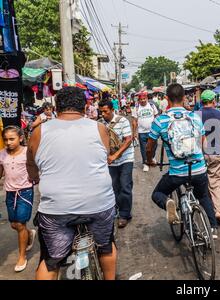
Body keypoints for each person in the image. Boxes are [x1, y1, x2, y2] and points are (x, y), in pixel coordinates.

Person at [27, 87, 117, 280]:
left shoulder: (39, 131)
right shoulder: (99, 128)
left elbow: (31, 163)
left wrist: (34, 176)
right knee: (106, 247)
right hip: (99, 203)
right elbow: (105, 156)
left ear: (56, 107)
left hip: (56, 208)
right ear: (85, 107)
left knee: (51, 260)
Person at [146, 84, 219, 238]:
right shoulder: (195, 117)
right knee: (203, 195)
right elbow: (202, 141)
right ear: (185, 98)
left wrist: (150, 160)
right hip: (199, 168)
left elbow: (149, 146)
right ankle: (213, 228)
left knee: (157, 193)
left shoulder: (160, 120)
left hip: (177, 172)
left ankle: (168, 203)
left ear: (167, 99)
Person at [0, 126, 36, 272]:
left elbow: (36, 168)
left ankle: (22, 256)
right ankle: (30, 234)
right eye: (5, 139)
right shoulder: (2, 154)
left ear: (20, 138)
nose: (8, 142)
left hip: (25, 192)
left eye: (11, 139)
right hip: (9, 192)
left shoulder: (27, 152)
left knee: (20, 224)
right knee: (14, 224)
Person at [99, 100, 134, 228]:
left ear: (112, 110)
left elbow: (128, 140)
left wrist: (115, 155)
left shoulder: (123, 121)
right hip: (110, 161)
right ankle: (116, 209)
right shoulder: (100, 124)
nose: (103, 114)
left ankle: (124, 215)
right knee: (113, 187)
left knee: (125, 185)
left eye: (105, 111)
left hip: (126, 159)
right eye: (101, 111)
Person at [198, 90, 220, 225]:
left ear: (201, 102)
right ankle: (218, 210)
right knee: (216, 182)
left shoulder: (195, 115)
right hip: (216, 153)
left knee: (200, 180)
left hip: (199, 154)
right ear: (213, 101)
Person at [132, 91, 159, 172]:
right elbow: (134, 121)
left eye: (144, 99)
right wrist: (134, 133)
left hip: (152, 131)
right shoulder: (136, 108)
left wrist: (158, 128)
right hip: (142, 132)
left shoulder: (152, 105)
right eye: (141, 99)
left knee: (154, 147)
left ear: (147, 99)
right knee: (144, 149)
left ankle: (152, 158)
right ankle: (146, 163)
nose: (143, 100)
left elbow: (156, 116)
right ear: (138, 100)